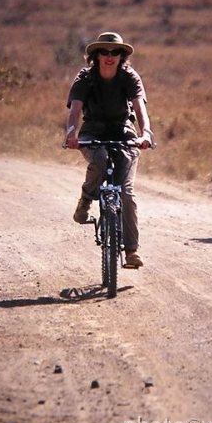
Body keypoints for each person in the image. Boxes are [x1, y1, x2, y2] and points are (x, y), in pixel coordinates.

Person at [65, 32, 153, 268]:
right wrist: (71, 133)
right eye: (104, 51)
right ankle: (86, 199)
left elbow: (139, 108)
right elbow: (75, 109)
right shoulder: (86, 77)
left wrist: (146, 134)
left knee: (126, 191)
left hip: (123, 130)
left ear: (122, 56)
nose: (109, 56)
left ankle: (131, 251)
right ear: (96, 55)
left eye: (115, 52)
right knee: (101, 159)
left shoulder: (129, 77)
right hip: (92, 130)